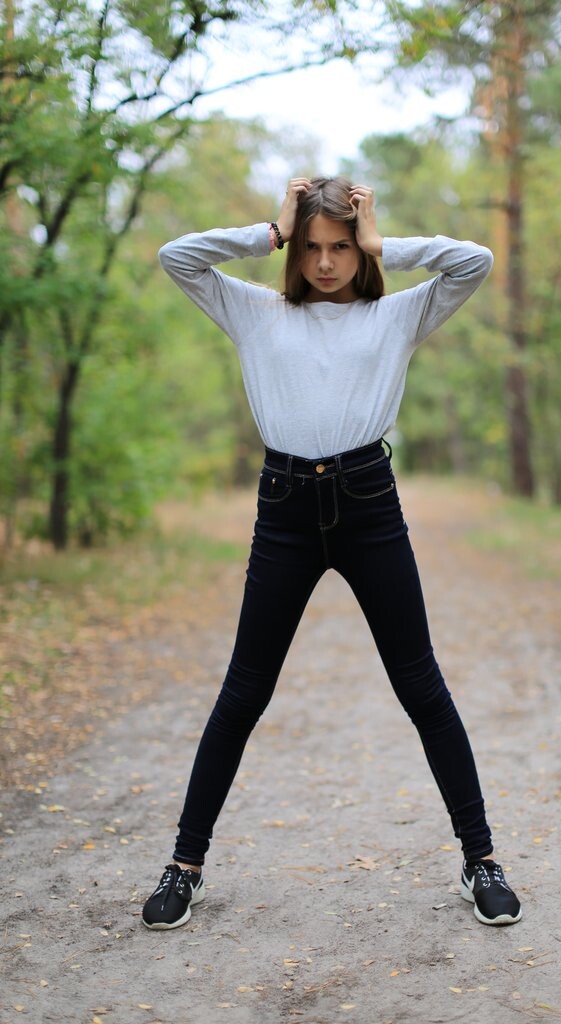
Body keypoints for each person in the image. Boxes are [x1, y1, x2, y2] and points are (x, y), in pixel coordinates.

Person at [141, 176, 522, 931]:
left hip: (368, 504)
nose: (324, 262)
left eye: (341, 247)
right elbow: (176, 256)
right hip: (284, 509)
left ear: (358, 248)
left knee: (421, 686)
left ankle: (480, 860)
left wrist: (383, 242)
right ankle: (184, 866)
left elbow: (473, 261)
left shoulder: (397, 314)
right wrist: (269, 231)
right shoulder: (254, 310)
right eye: (312, 247)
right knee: (243, 692)